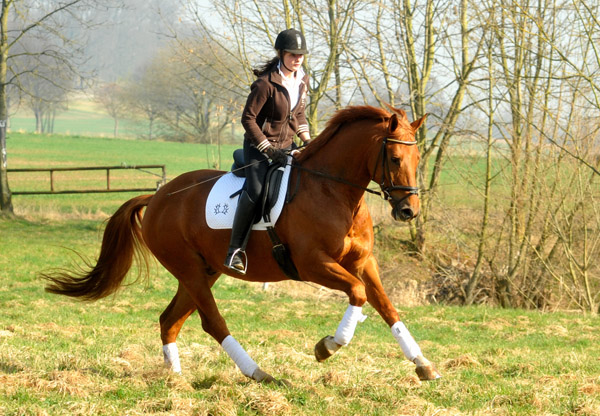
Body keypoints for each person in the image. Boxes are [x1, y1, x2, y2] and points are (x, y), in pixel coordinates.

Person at [224, 28, 311, 274]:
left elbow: (300, 116)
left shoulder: (302, 80)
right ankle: (235, 251)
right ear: (281, 53)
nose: (297, 59)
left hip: (287, 147)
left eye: (301, 55)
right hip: (257, 149)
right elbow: (248, 119)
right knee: (257, 189)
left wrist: (307, 140)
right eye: (293, 54)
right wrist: (267, 148)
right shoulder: (265, 84)